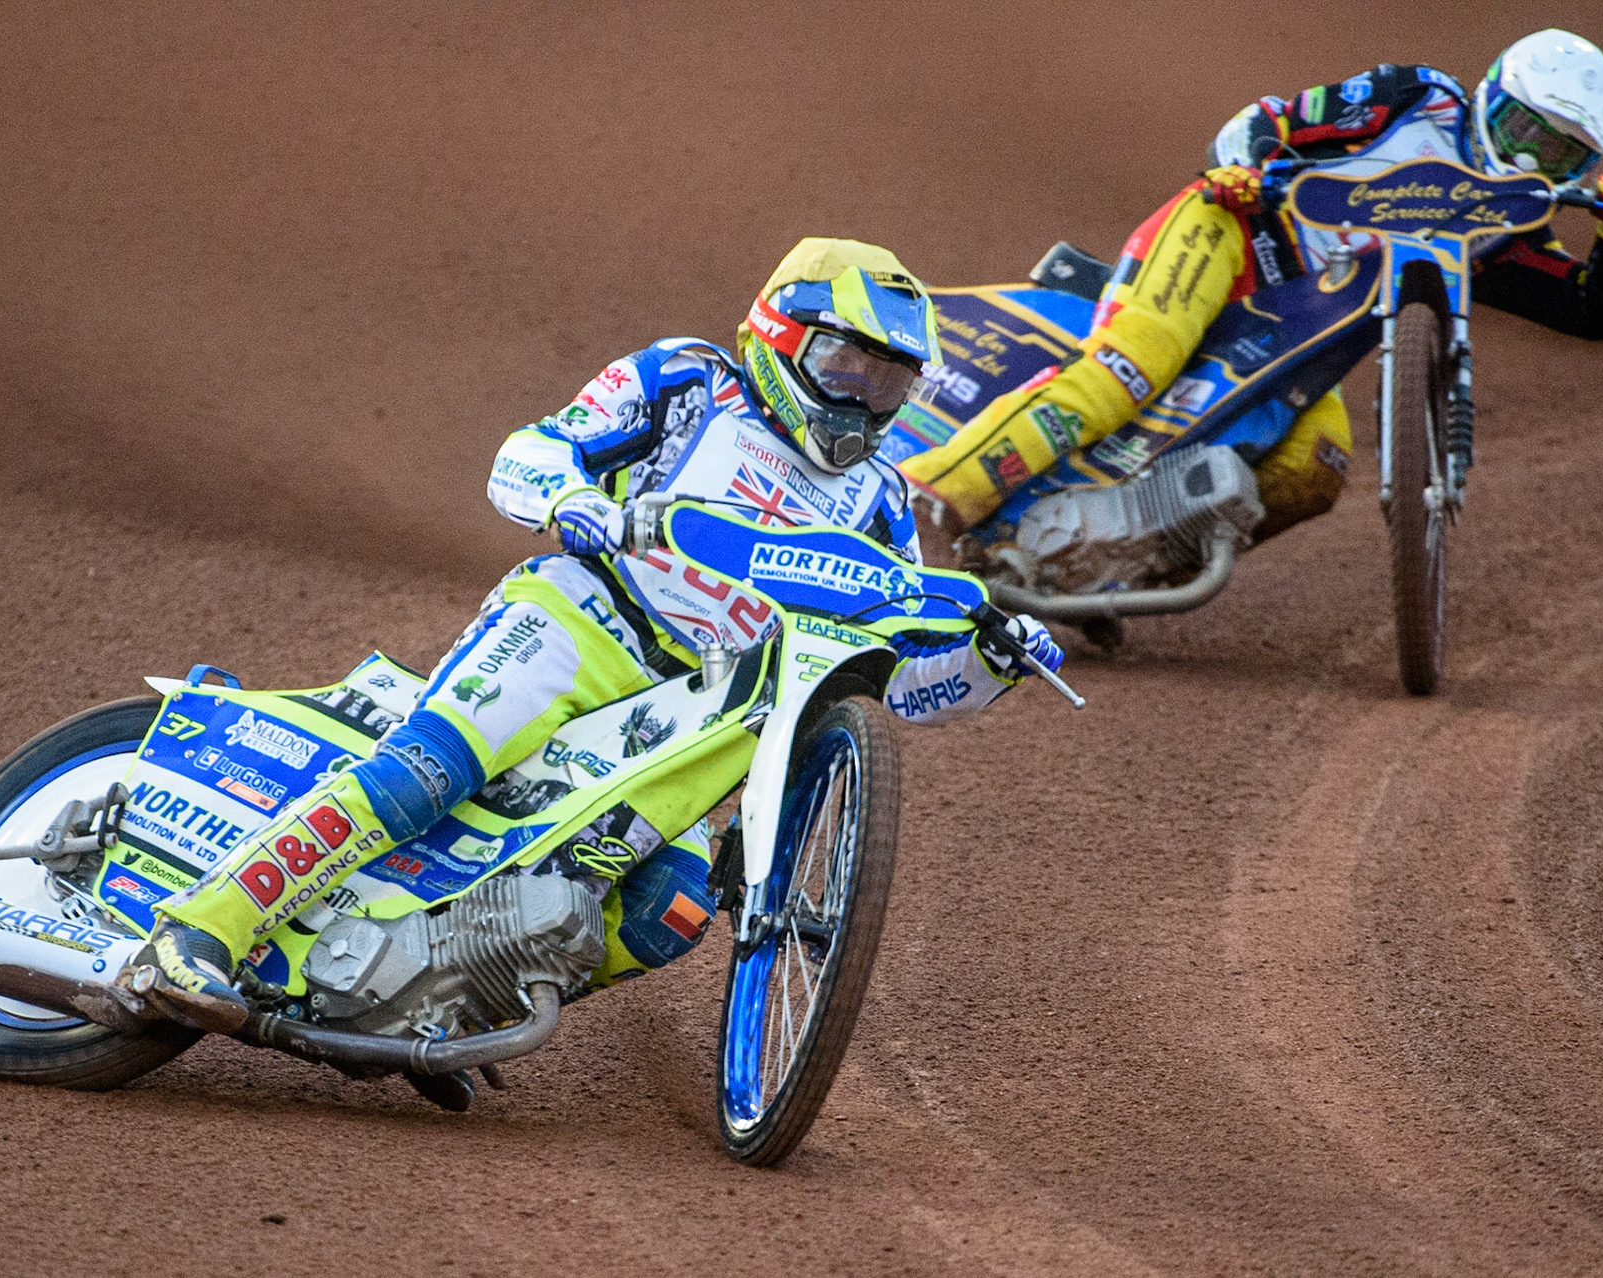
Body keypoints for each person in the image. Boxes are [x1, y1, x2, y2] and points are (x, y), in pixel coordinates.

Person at [122, 238, 1066, 1056]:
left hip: (704, 705)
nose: (862, 400)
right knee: (429, 771)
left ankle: (445, 1000)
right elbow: (532, 449)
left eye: (888, 382)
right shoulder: (690, 381)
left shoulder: (883, 499)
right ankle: (197, 934)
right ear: (783, 334)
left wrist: (990, 662)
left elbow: (897, 680)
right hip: (584, 623)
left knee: (672, 909)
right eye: (846, 366)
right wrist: (574, 500)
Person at [901, 29, 1603, 542]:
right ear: (1492, 94)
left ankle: (1110, 560)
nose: (1529, 159)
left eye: (1559, 154)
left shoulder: (1504, 227)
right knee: (1129, 370)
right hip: (1229, 239)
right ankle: (933, 493)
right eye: (1524, 129)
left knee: (1316, 465)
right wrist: (1250, 168)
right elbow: (1270, 119)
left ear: (1584, 167)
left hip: (1300, 329)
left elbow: (1590, 309)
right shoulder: (1415, 98)